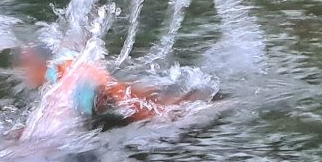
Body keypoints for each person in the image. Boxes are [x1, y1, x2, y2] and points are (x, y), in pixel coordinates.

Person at [13, 43, 205, 127]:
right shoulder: (59, 70)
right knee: (143, 102)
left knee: (155, 111)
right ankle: (177, 107)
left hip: (94, 92)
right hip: (97, 92)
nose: (25, 71)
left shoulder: (61, 73)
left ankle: (178, 109)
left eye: (26, 64)